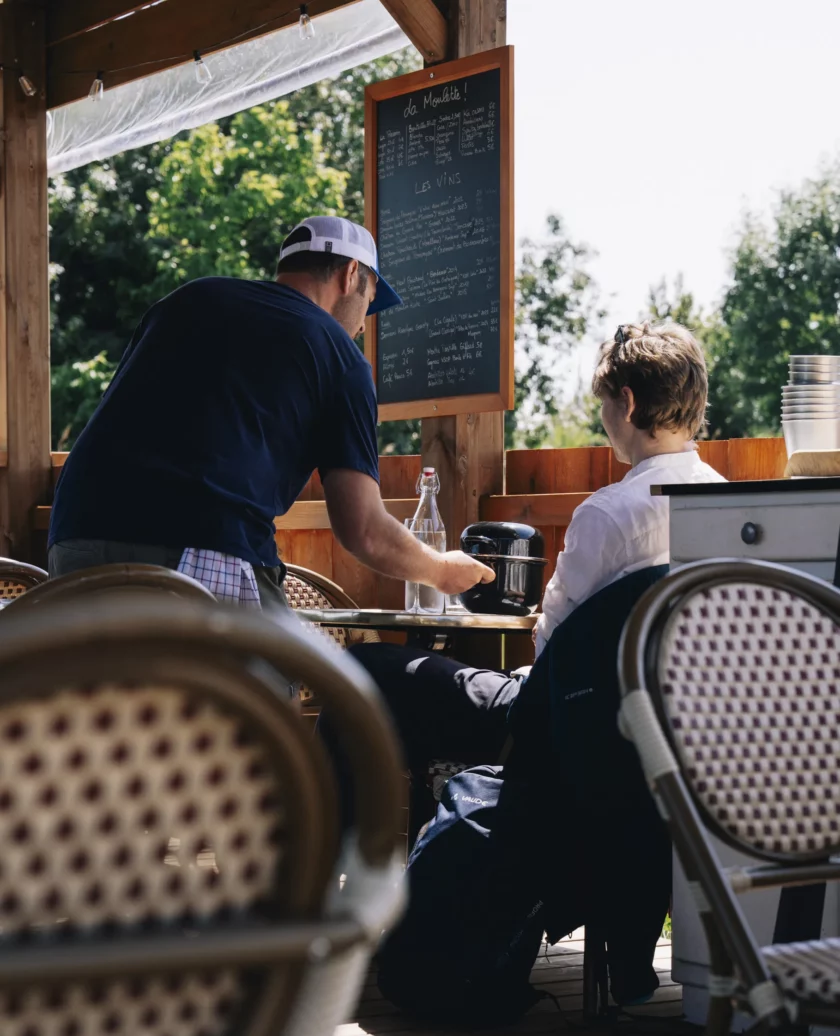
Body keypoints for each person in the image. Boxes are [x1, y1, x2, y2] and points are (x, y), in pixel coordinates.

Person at [327, 320, 727, 788]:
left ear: (629, 402)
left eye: (604, 403)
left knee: (365, 669)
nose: (603, 417)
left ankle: (335, 850)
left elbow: (551, 646)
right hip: (675, 734)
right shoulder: (724, 503)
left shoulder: (609, 514)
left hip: (563, 724)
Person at [48, 216, 493, 610]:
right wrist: (440, 570)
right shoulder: (340, 356)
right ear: (350, 274)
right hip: (195, 548)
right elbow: (365, 530)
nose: (362, 325)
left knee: (105, 704)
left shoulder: (188, 299)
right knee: (268, 701)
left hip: (72, 541)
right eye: (369, 303)